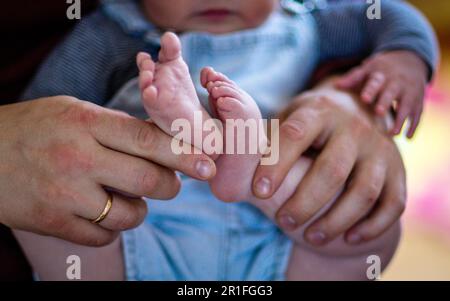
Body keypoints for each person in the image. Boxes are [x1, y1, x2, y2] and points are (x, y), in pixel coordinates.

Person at [8, 0, 439, 280]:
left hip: (279, 233)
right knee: (48, 206)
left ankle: (236, 159)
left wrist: (404, 57)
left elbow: (389, 14)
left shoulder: (311, 21)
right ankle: (229, 151)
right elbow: (47, 120)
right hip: (139, 227)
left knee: (371, 229)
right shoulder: (109, 34)